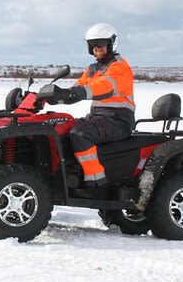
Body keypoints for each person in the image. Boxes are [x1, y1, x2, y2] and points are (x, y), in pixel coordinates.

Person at [46, 23, 135, 187]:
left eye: (100, 44)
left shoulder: (119, 66)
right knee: (62, 127)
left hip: (119, 120)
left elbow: (105, 86)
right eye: (92, 45)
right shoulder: (93, 69)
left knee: (81, 133)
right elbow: (78, 86)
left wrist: (77, 93)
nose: (97, 48)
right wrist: (50, 96)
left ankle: (95, 181)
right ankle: (69, 175)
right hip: (99, 118)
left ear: (111, 43)